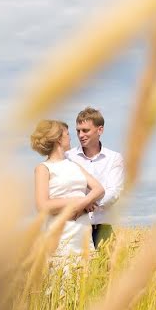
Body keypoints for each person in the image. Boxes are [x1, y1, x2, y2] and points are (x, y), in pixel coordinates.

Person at [31, 120, 104, 257]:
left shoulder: (74, 165)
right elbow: (42, 205)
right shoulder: (43, 168)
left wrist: (82, 203)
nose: (71, 137)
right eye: (67, 134)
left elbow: (99, 189)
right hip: (61, 236)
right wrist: (79, 200)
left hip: (82, 235)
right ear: (59, 139)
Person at [66, 107, 124, 249]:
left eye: (85, 130)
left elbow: (114, 192)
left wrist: (87, 204)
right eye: (78, 131)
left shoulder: (114, 158)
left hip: (102, 227)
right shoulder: (68, 157)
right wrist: (83, 204)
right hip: (75, 226)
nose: (80, 135)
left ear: (100, 130)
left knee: (108, 269)